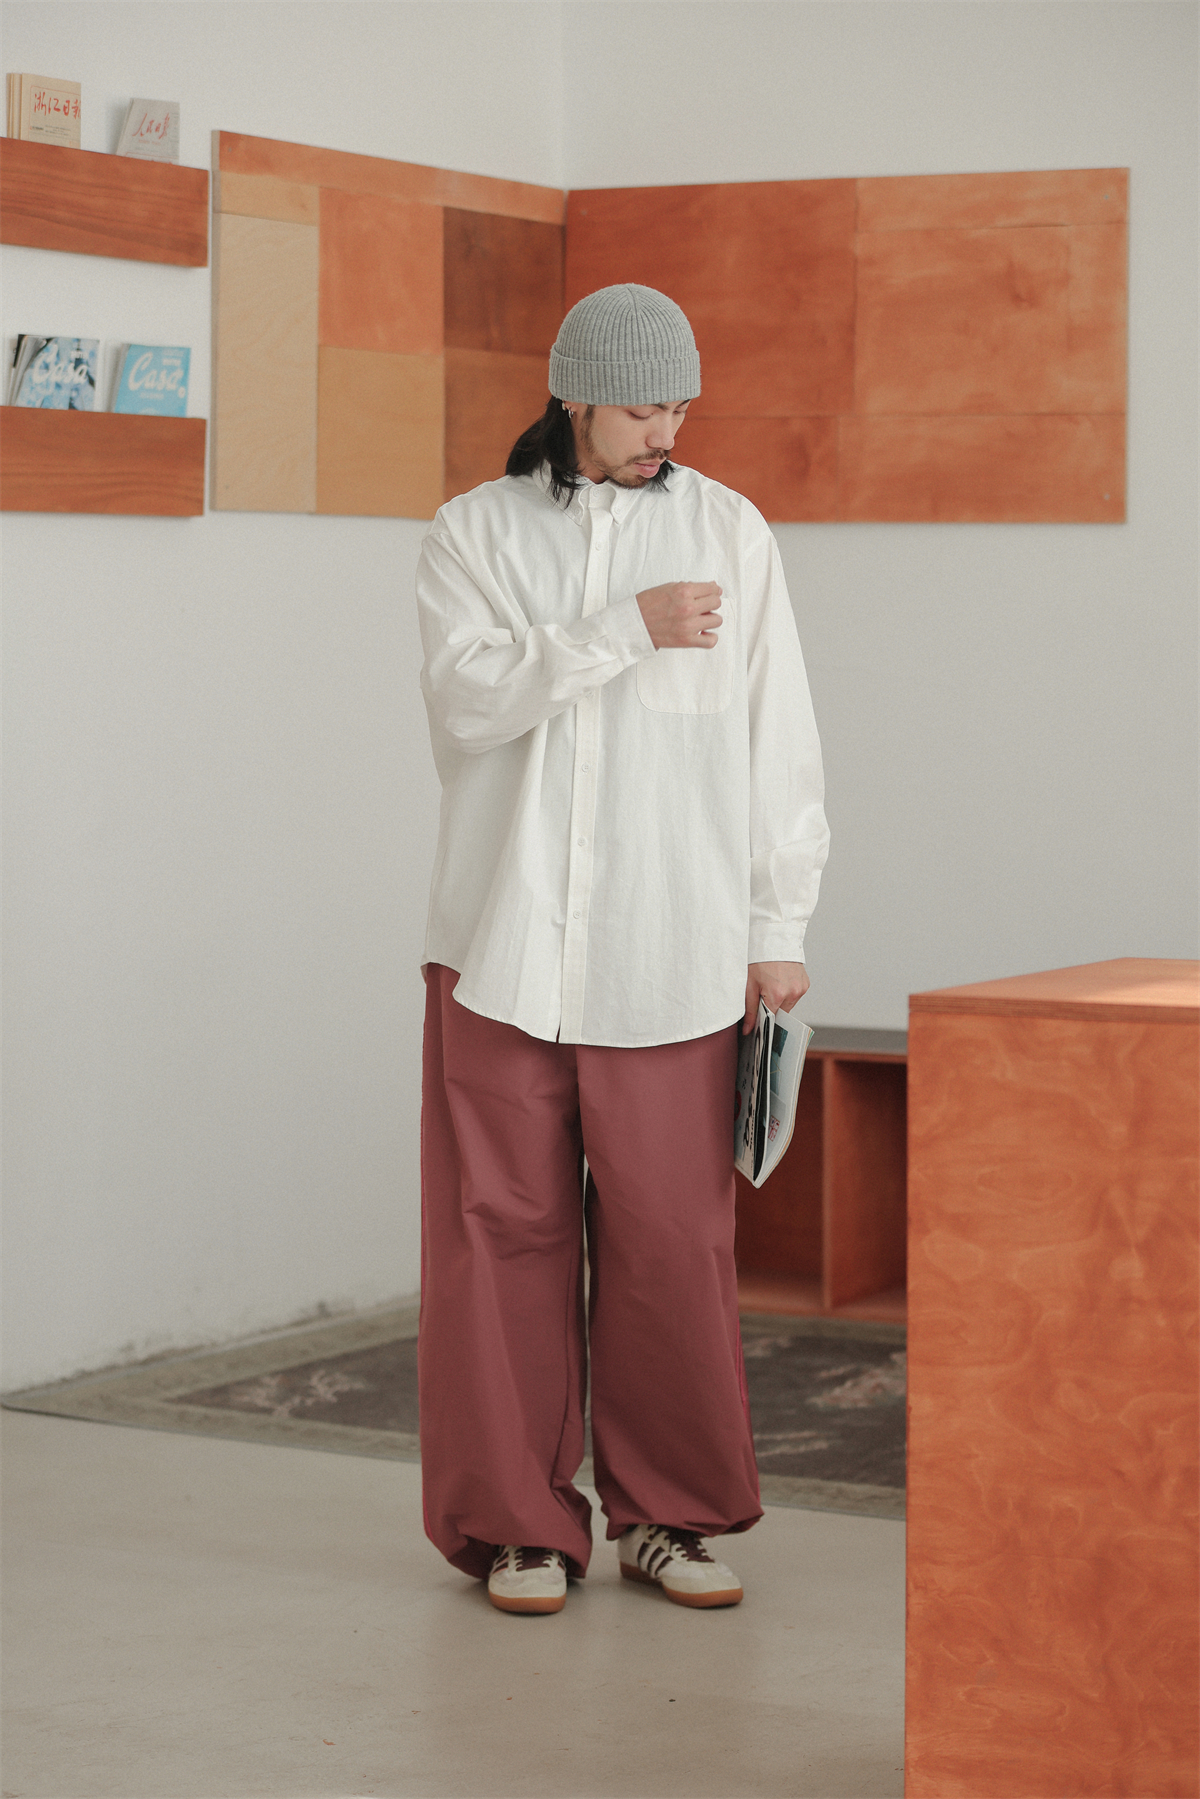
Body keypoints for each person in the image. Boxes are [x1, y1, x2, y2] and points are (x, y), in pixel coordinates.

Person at [415, 283, 828, 1616]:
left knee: (673, 1241)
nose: (667, 433)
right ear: (577, 397)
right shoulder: (473, 533)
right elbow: (468, 701)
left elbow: (777, 738)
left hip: (674, 944)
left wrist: (777, 926)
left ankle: (671, 1518)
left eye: (680, 409)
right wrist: (622, 632)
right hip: (500, 948)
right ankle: (522, 1529)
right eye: (646, 408)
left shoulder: (731, 532)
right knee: (499, 1239)